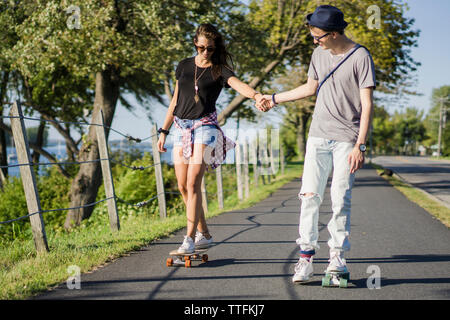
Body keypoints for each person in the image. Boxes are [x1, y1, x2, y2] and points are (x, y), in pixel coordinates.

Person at [257, 5, 376, 283]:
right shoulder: (318, 54)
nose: (315, 41)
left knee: (339, 199)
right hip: (318, 136)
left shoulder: (360, 57)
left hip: (347, 139)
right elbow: (310, 88)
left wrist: (361, 144)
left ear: (334, 33)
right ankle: (306, 259)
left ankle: (337, 259)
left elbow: (367, 103)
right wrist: (273, 98)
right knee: (309, 197)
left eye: (318, 36)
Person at [158, 23, 270, 254]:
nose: (206, 52)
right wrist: (164, 131)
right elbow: (175, 101)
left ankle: (188, 240)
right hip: (181, 127)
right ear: (195, 45)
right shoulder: (184, 66)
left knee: (193, 182)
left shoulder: (220, 70)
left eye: (210, 48)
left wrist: (257, 96)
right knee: (182, 186)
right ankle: (205, 234)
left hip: (206, 127)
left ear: (215, 48)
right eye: (201, 48)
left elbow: (239, 85)